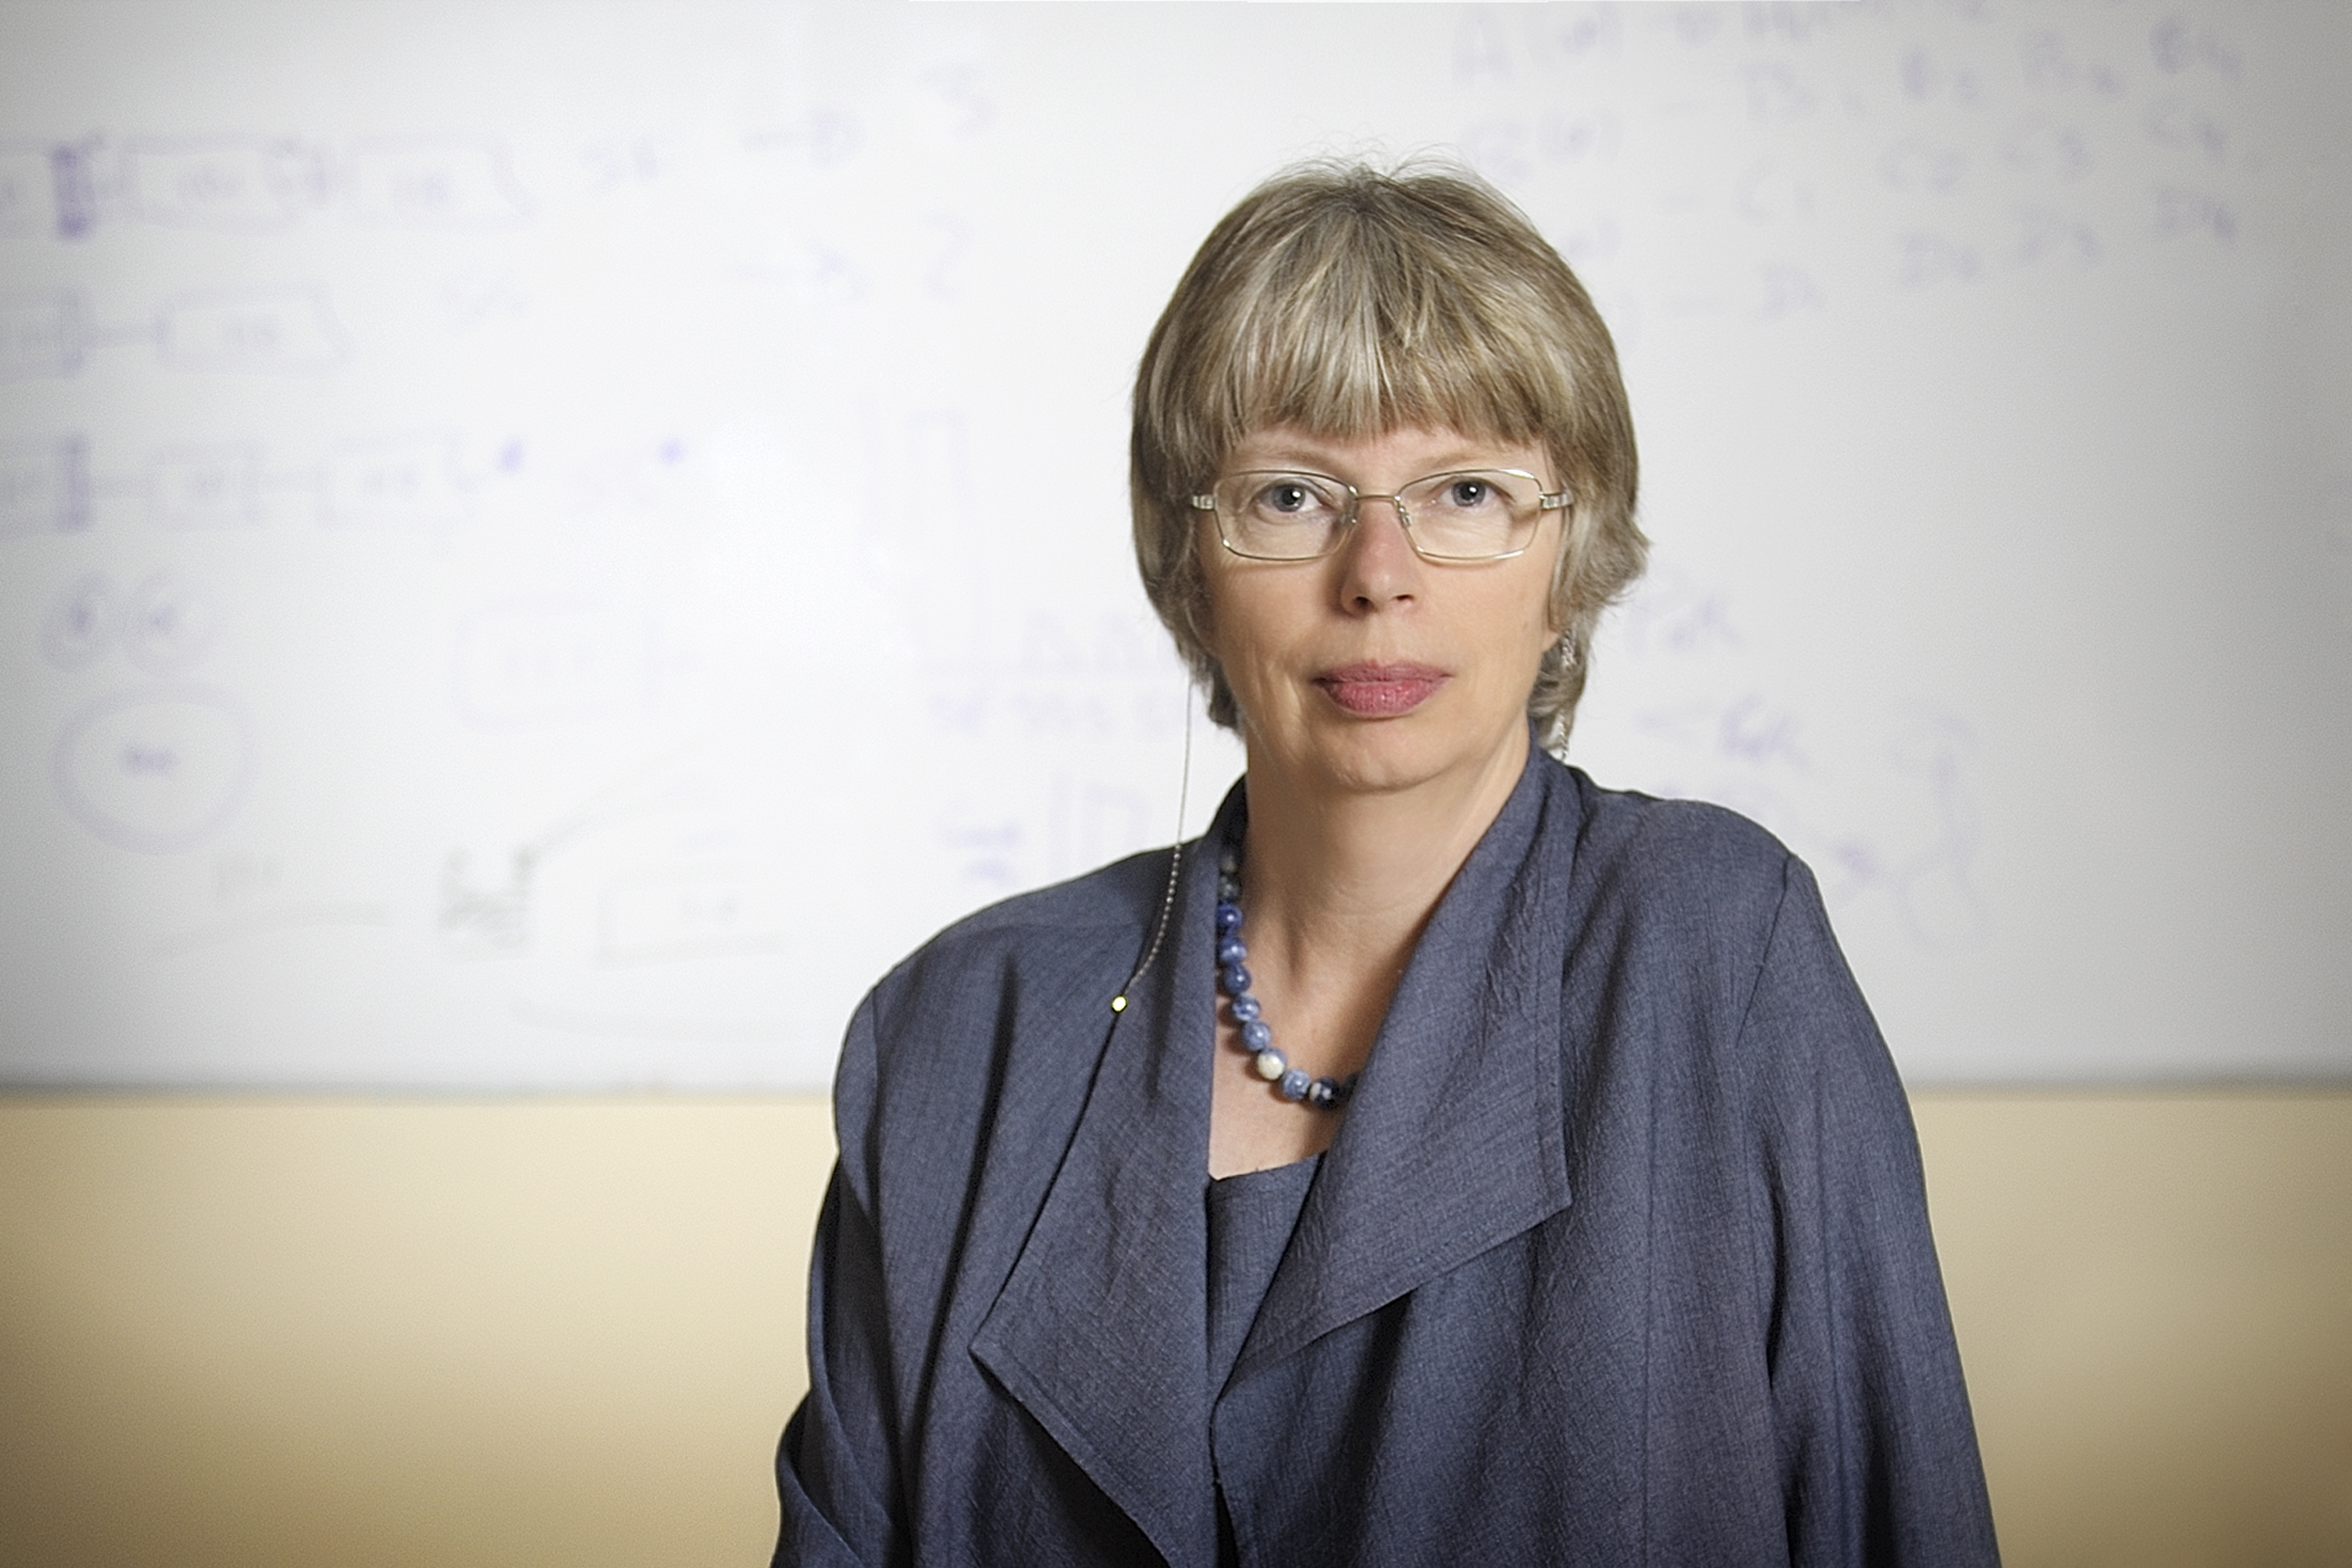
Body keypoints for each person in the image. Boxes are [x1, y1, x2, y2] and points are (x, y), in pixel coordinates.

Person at [773, 160, 1999, 1567]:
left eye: (1465, 490)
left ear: (1569, 559)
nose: (1377, 573)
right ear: (1191, 566)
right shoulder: (957, 1030)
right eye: (1293, 495)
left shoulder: (1714, 949)